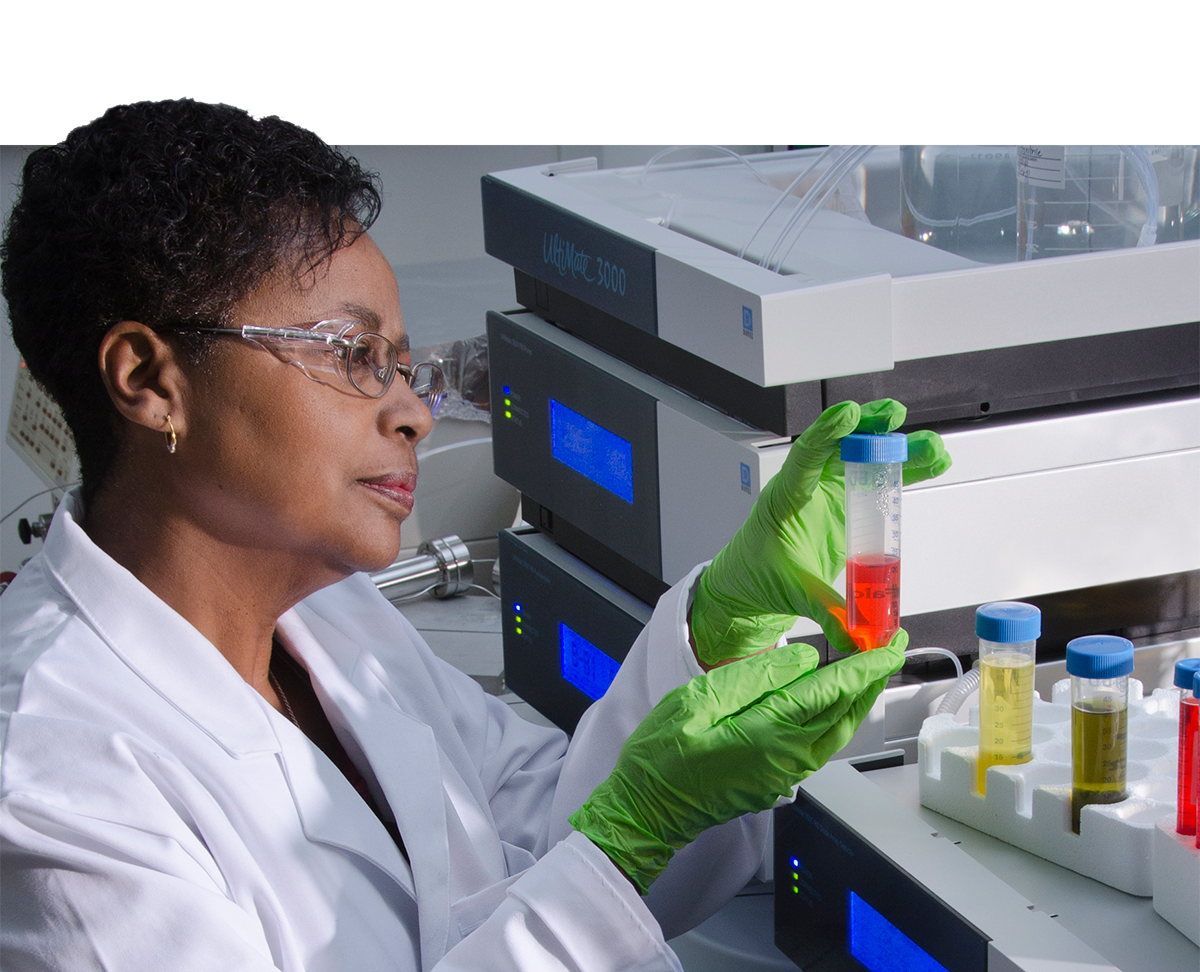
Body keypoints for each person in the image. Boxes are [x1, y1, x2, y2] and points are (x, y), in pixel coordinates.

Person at [0, 99, 950, 971]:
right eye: (352, 355)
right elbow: (587, 869)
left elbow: (535, 839)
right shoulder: (53, 781)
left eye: (403, 364)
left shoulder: (327, 614)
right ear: (148, 379)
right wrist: (629, 835)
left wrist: (711, 635)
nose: (411, 410)